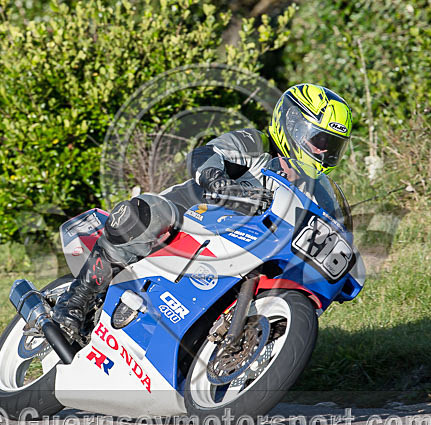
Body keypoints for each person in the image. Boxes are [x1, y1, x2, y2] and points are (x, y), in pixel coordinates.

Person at [52, 83, 353, 336]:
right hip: (188, 220)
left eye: (334, 145)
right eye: (321, 140)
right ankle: (76, 300)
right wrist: (215, 178)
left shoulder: (311, 192)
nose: (325, 151)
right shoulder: (257, 144)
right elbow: (209, 152)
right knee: (148, 212)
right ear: (293, 125)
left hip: (240, 251)